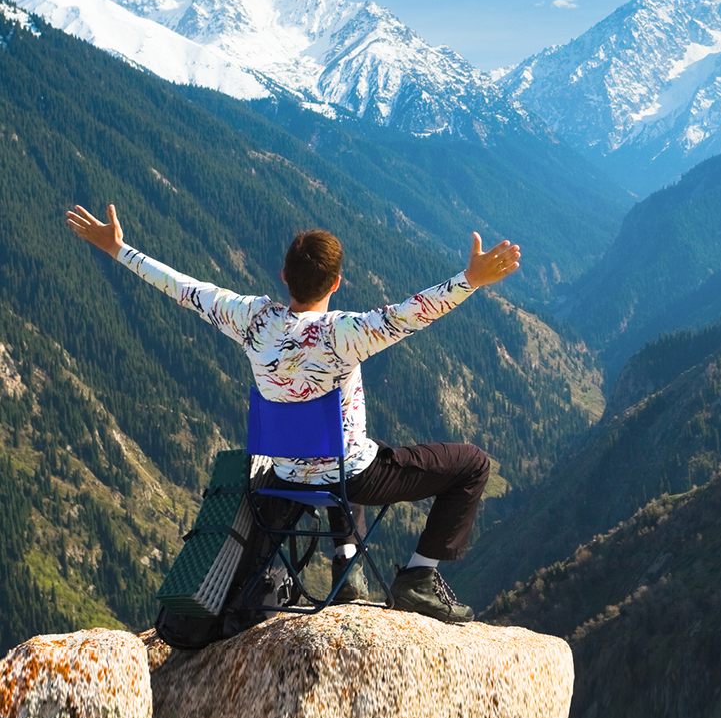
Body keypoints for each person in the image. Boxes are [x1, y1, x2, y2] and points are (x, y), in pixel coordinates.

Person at [66, 203, 521, 623]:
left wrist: (118, 248)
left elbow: (184, 288)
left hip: (283, 474)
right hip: (346, 477)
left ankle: (347, 560)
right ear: (336, 282)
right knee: (470, 465)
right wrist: (470, 280)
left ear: (284, 275)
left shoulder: (252, 320)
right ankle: (419, 577)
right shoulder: (345, 334)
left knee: (357, 448)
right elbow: (411, 314)